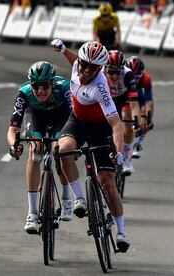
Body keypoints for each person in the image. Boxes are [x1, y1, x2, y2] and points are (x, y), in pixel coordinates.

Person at [50, 39, 130, 252]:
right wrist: (63, 50)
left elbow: (116, 124)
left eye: (92, 67)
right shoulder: (79, 64)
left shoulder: (101, 88)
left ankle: (121, 231)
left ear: (100, 68)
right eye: (84, 63)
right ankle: (80, 200)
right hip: (77, 121)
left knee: (108, 181)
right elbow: (75, 60)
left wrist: (120, 153)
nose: (85, 70)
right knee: (63, 150)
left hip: (100, 128)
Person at [7, 61, 73, 234]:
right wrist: (14, 146)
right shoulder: (25, 92)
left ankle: (67, 199)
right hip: (35, 116)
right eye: (36, 86)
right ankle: (32, 213)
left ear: (52, 83)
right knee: (35, 151)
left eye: (44, 85)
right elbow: (13, 129)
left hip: (60, 115)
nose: (40, 91)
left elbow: (76, 117)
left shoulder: (64, 88)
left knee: (58, 151)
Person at [104, 50, 142, 174]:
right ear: (105, 68)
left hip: (123, 99)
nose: (114, 76)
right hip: (107, 99)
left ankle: (127, 160)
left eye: (117, 72)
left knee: (127, 118)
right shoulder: (99, 73)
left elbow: (134, 104)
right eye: (111, 72)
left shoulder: (128, 74)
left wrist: (136, 122)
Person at [126, 56, 155, 158]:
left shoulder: (146, 78)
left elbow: (148, 100)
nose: (134, 80)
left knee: (146, 115)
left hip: (137, 95)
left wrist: (147, 118)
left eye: (137, 77)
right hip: (122, 94)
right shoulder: (121, 75)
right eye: (132, 77)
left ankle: (138, 143)